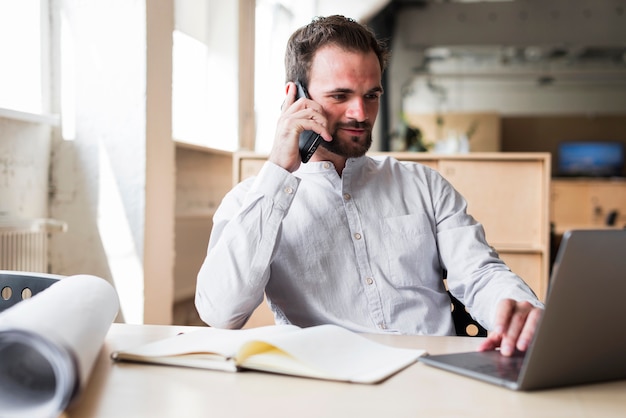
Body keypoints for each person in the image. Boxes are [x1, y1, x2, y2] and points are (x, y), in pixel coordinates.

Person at [195, 15, 543, 356]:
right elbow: (221, 314)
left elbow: (480, 272)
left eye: (371, 95)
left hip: (431, 379)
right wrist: (278, 172)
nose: (361, 114)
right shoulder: (251, 201)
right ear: (295, 97)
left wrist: (519, 309)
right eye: (340, 96)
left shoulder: (423, 186)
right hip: (327, 387)